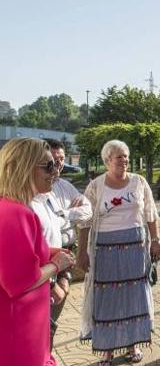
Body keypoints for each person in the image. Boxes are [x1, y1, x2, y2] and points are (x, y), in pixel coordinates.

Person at [76, 140, 160, 365]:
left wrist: (156, 241)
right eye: (118, 157)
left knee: (134, 296)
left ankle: (133, 344)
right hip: (105, 251)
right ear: (107, 161)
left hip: (135, 249)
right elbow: (84, 221)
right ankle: (107, 349)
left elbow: (150, 214)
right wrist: (82, 252)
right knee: (108, 298)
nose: (124, 160)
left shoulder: (139, 182)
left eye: (126, 156)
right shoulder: (95, 186)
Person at [0, 137, 75, 366]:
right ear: (24, 168)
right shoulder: (16, 214)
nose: (55, 171)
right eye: (48, 166)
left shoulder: (11, 208)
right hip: (20, 332)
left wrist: (50, 252)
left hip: (25, 326)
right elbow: (18, 282)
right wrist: (56, 265)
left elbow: (17, 255)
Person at [30, 138, 92, 348]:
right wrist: (53, 282)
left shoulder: (63, 188)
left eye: (60, 160)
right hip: (41, 270)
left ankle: (46, 354)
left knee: (50, 323)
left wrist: (63, 214)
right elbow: (28, 259)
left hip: (62, 257)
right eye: (50, 163)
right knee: (38, 328)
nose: (57, 167)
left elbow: (88, 212)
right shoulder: (27, 201)